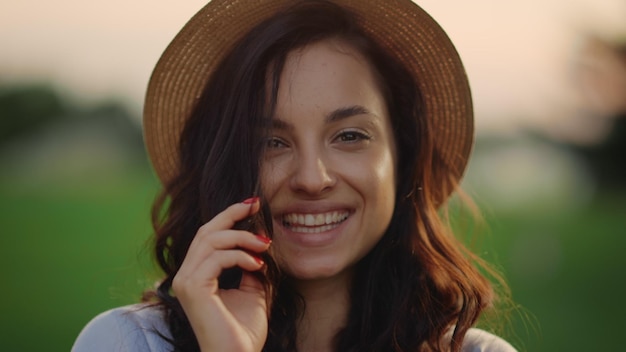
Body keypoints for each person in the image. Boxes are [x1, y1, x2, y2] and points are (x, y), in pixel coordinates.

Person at [72, 0, 517, 351]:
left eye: (348, 135)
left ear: (401, 157)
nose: (311, 178)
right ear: (223, 160)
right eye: (271, 142)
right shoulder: (127, 344)